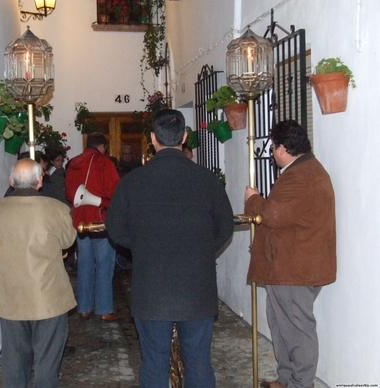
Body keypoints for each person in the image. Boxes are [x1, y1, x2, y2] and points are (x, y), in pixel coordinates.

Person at [105, 109, 234, 387]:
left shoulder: (132, 182)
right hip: (196, 288)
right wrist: (199, 248)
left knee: (154, 363)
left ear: (152, 139)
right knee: (198, 363)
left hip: (151, 288)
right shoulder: (207, 180)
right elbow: (225, 227)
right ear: (185, 137)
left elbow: (114, 228)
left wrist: (141, 245)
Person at [244, 120, 336, 388]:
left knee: (297, 331)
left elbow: (271, 214)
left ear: (283, 148)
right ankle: (286, 379)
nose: (273, 154)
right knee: (281, 327)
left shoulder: (302, 175)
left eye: (273, 148)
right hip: (288, 267)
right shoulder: (303, 170)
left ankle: (300, 383)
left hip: (295, 269)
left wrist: (252, 199)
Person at [0, 158, 77, 388]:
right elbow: (68, 241)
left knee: (14, 363)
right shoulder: (56, 208)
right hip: (49, 298)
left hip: (12, 297)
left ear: (11, 181)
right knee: (47, 363)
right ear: (40, 181)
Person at [65, 132, 122, 321]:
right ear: (103, 147)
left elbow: (69, 194)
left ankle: (84, 307)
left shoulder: (73, 163)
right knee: (104, 266)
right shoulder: (104, 162)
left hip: (80, 222)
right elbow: (114, 192)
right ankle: (104, 310)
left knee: (84, 265)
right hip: (100, 221)